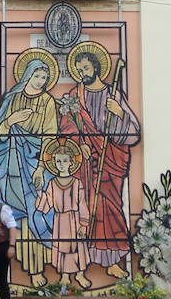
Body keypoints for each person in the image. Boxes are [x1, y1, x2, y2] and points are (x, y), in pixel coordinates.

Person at [59, 42, 141, 280]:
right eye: (79, 70)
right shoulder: (75, 96)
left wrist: (119, 113)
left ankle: (114, 260)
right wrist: (79, 142)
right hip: (86, 162)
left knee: (111, 207)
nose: (82, 73)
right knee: (85, 208)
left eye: (85, 68)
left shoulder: (113, 94)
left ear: (96, 67)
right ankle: (83, 260)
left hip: (110, 160)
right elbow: (67, 125)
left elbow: (133, 132)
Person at [0, 50, 60, 285]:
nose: (40, 82)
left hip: (36, 163)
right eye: (37, 76)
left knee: (39, 210)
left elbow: (50, 135)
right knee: (20, 216)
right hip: (12, 166)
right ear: (28, 75)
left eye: (44, 78)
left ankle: (44, 265)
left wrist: (40, 168)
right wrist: (12, 120)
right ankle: (31, 269)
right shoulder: (12, 98)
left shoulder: (48, 101)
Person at [35, 139, 91, 288]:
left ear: (71, 162)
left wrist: (84, 224)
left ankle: (80, 274)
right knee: (63, 247)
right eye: (58, 161)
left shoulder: (77, 182)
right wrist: (39, 190)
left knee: (78, 246)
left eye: (64, 160)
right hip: (60, 220)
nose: (61, 164)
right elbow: (47, 202)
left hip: (75, 219)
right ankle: (65, 276)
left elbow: (82, 203)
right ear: (54, 163)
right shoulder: (53, 183)